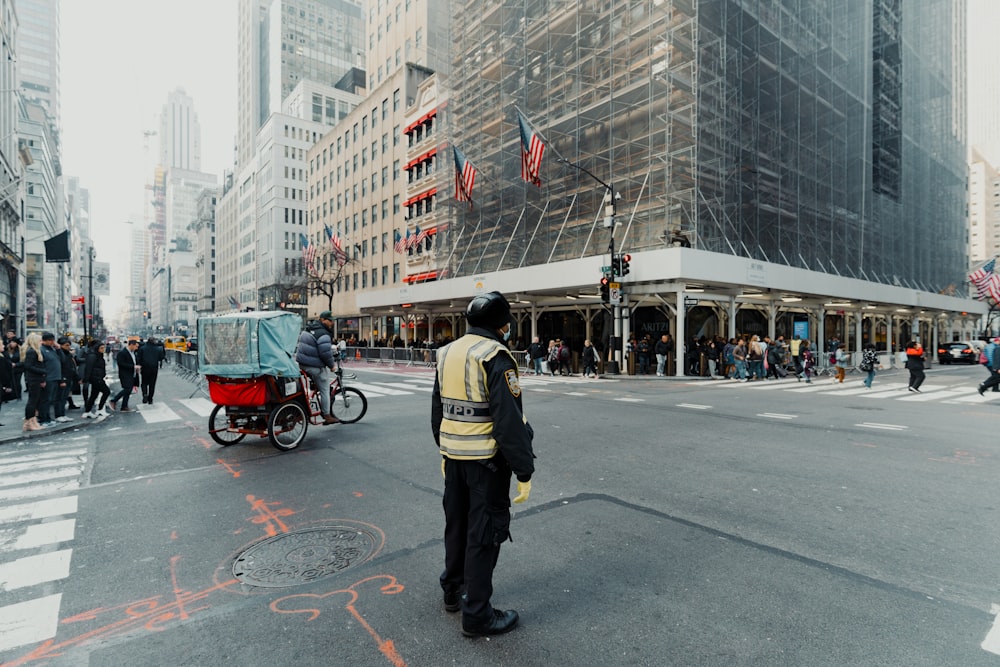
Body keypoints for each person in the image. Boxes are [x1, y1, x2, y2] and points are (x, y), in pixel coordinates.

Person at [431, 291, 535, 637]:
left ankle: (452, 591)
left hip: (453, 455)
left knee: (456, 527)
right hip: (485, 461)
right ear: (502, 324)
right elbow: (509, 421)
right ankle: (477, 614)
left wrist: (446, 449)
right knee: (483, 536)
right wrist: (524, 469)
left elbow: (438, 410)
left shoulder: (446, 352)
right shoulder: (495, 356)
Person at [294, 310, 340, 425]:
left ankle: (312, 398)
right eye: (330, 320)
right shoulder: (323, 333)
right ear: (323, 320)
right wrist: (332, 366)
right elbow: (325, 353)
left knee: (317, 383)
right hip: (313, 366)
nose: (332, 323)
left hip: (303, 363)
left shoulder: (309, 328)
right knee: (325, 389)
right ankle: (327, 415)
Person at [20, 333, 47, 431]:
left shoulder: (34, 351)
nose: (41, 343)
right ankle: (29, 422)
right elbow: (28, 366)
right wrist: (43, 371)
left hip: (36, 378)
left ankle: (32, 421)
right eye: (40, 341)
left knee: (35, 401)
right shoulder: (32, 352)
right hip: (34, 379)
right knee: (32, 401)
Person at [82, 341, 110, 420]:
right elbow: (89, 368)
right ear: (97, 348)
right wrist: (86, 379)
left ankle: (87, 411)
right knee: (106, 391)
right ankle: (100, 409)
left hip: (98, 377)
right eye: (101, 348)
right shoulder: (93, 356)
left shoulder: (98, 355)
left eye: (103, 347)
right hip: (96, 378)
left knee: (94, 395)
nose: (103, 349)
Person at [38, 332, 62, 426]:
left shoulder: (52, 349)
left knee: (50, 400)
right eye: (50, 340)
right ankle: (43, 419)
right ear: (44, 341)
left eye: (53, 340)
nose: (52, 342)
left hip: (55, 377)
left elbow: (62, 359)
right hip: (48, 377)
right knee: (45, 400)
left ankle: (48, 418)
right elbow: (41, 365)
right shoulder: (42, 350)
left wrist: (58, 349)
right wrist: (42, 379)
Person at [109, 339, 140, 412]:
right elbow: (121, 364)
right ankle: (113, 400)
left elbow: (135, 361)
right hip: (125, 374)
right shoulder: (122, 353)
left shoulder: (134, 353)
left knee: (128, 391)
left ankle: (124, 406)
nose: (137, 348)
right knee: (127, 389)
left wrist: (137, 368)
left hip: (133, 374)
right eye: (136, 346)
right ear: (131, 345)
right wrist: (133, 367)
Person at [54, 336, 78, 423]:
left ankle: (62, 414)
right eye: (66, 345)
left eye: (69, 345)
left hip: (68, 377)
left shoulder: (68, 354)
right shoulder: (59, 354)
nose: (68, 347)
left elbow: (72, 365)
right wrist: (61, 380)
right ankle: (58, 415)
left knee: (64, 397)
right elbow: (60, 366)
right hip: (63, 378)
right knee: (59, 397)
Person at [137, 337, 161, 404]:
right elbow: (160, 357)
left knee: (144, 382)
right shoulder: (157, 349)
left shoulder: (142, 348)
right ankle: (150, 399)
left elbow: (138, 358)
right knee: (152, 384)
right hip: (154, 368)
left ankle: (144, 394)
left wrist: (139, 365)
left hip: (145, 368)